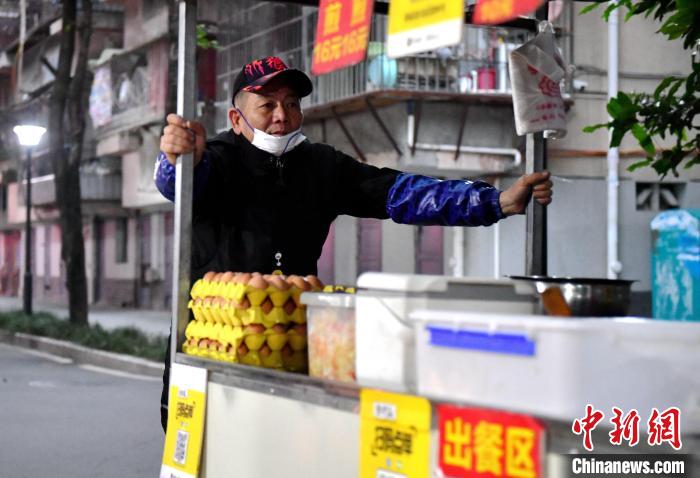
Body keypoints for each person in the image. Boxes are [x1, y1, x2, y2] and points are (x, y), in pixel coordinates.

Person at [154, 56, 553, 430]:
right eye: (267, 105)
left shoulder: (322, 166)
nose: (282, 116)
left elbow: (401, 192)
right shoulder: (215, 160)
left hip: (290, 344)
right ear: (236, 119)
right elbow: (178, 184)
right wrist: (176, 159)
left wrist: (494, 201)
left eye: (292, 104)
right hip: (209, 347)